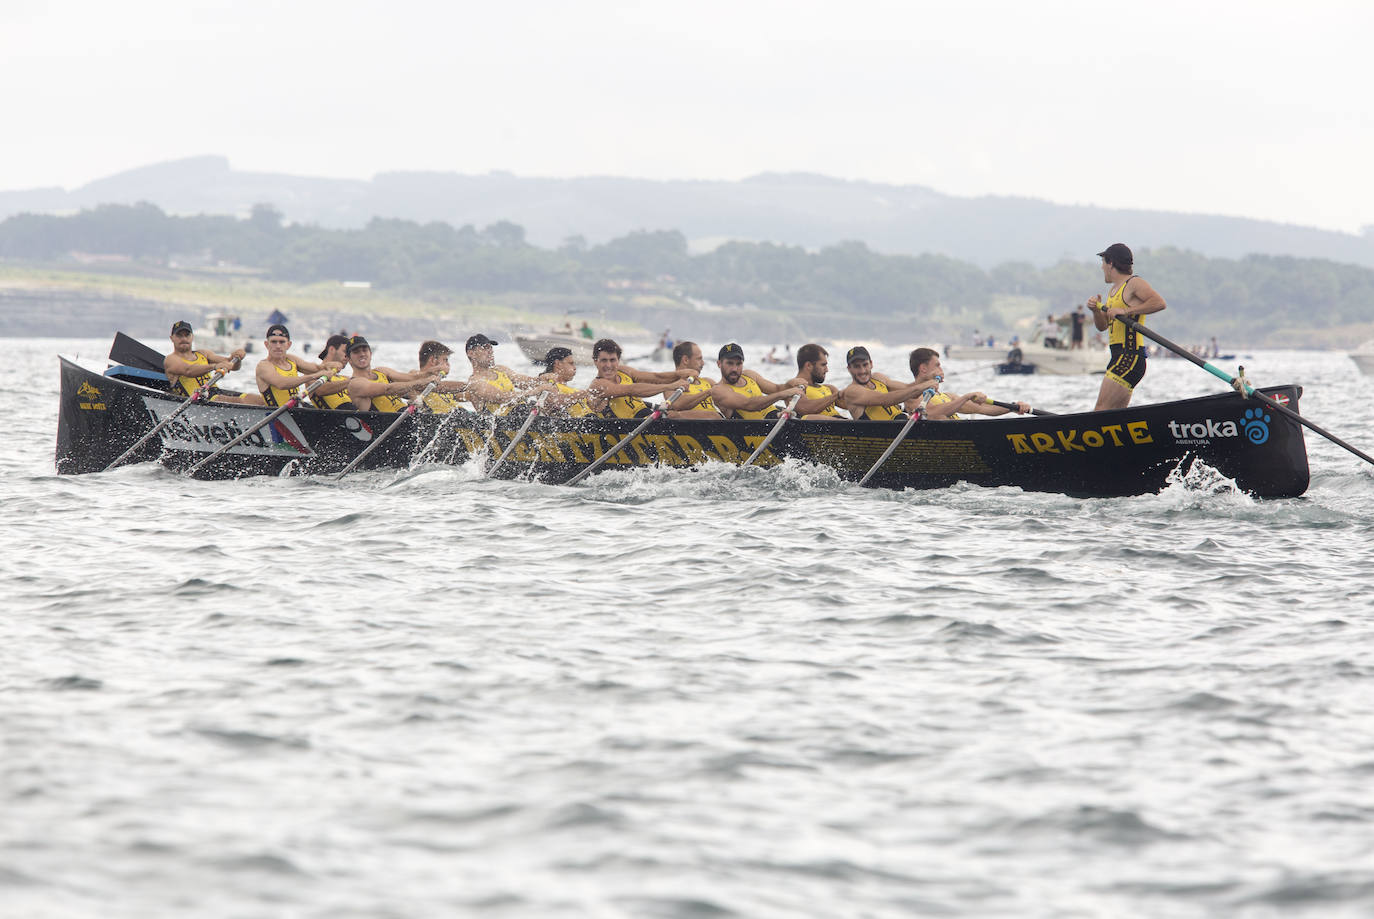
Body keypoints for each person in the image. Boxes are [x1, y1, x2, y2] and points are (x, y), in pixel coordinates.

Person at [1086, 243, 1167, 410]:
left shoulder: (1134, 283)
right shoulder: (1113, 291)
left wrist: (1126, 310)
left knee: (1100, 410)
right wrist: (1095, 311)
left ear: (1111, 264)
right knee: (1112, 416)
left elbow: (1159, 303)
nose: (1101, 268)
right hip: (1117, 356)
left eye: (1103, 263)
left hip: (1129, 357)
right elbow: (1103, 327)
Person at [907, 348, 1030, 419]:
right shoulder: (912, 396)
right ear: (923, 368)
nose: (941, 370)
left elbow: (983, 409)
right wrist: (966, 397)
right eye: (937, 366)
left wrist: (1012, 407)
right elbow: (931, 413)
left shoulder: (948, 397)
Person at [163, 320, 260, 404]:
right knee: (239, 402)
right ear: (172, 338)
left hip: (215, 392)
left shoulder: (203, 354)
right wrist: (214, 366)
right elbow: (189, 370)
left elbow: (231, 365)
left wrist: (237, 357)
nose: (184, 339)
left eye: (187, 335)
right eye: (179, 336)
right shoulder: (171, 359)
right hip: (195, 399)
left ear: (192, 337)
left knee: (256, 400)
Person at [587, 338, 688, 418]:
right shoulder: (597, 385)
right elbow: (631, 389)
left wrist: (680, 374)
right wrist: (670, 386)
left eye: (612, 360)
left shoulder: (624, 371)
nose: (608, 365)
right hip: (626, 429)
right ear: (596, 361)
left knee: (687, 414)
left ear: (618, 360)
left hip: (646, 418)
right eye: (604, 360)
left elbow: (656, 377)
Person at [343, 335, 438, 413]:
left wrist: (430, 373)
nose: (362, 354)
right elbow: (388, 389)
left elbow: (411, 377)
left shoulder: (381, 371)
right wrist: (422, 382)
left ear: (370, 353)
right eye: (356, 352)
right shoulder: (355, 383)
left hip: (405, 415)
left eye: (364, 350)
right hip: (387, 426)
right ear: (348, 359)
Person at [841, 346, 939, 421]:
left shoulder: (878, 378)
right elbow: (887, 399)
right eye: (857, 366)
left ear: (871, 364)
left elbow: (908, 389)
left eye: (865, 365)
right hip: (884, 435)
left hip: (902, 422)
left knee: (939, 416)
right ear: (849, 369)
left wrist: (926, 378)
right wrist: (925, 385)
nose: (862, 371)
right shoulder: (852, 391)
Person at [255, 323, 342, 407]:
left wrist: (329, 365)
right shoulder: (264, 366)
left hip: (297, 408)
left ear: (289, 345)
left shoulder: (291, 359)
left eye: (282, 342)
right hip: (280, 415)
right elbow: (282, 383)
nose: (278, 346)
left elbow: (316, 368)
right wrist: (316, 375)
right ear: (266, 344)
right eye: (274, 342)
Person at [710, 343, 803, 419]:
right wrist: (784, 393)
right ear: (719, 364)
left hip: (777, 417)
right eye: (730, 363)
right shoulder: (718, 390)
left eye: (739, 364)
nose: (734, 369)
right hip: (755, 431)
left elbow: (776, 388)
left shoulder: (749, 375)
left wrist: (791, 384)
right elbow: (749, 404)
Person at [464, 333, 548, 414]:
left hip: (521, 413)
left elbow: (525, 382)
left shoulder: (500, 369)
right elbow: (501, 397)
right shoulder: (474, 382)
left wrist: (544, 380)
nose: (490, 351)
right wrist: (535, 391)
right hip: (502, 423)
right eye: (485, 348)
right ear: (471, 353)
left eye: (490, 348)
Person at [786, 343, 848, 420]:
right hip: (818, 427)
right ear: (808, 365)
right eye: (823, 365)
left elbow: (852, 405)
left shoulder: (829, 389)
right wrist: (836, 395)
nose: (827, 370)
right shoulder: (793, 388)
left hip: (841, 425)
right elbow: (805, 409)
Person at [662, 341, 723, 419]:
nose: (703, 363)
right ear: (685, 360)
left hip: (716, 426)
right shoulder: (670, 384)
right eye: (699, 359)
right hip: (690, 428)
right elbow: (677, 403)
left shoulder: (708, 382)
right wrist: (708, 392)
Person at [537, 346, 599, 417]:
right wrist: (580, 395)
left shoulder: (568, 389)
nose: (575, 368)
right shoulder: (548, 383)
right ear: (558, 364)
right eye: (571, 363)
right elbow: (554, 402)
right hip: (578, 423)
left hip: (591, 420)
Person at [413, 340, 470, 413]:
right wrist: (469, 385)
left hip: (460, 415)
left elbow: (468, 395)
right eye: (445, 360)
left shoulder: (445, 389)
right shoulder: (417, 378)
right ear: (433, 360)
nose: (448, 365)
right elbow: (413, 379)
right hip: (443, 419)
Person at [311, 333, 356, 410]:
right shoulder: (313, 373)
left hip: (352, 416)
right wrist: (351, 381)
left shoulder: (344, 378)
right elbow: (321, 390)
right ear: (332, 349)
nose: (347, 357)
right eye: (345, 351)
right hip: (332, 418)